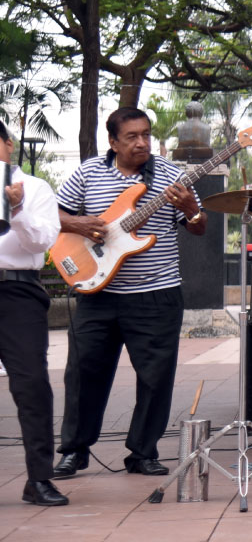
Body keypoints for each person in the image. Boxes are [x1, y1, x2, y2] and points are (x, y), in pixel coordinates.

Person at [54, 108, 208, 478]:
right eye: (132, 137)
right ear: (113, 142)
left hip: (156, 294)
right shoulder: (88, 172)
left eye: (146, 135)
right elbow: (52, 214)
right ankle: (74, 450)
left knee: (156, 378)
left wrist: (190, 209)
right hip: (96, 292)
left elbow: (199, 228)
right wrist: (78, 222)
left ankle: (143, 451)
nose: (142, 142)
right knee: (83, 374)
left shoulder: (171, 175)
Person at [0, 122, 68, 505]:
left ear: (8, 145)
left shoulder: (37, 188)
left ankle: (39, 479)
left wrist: (17, 208)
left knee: (31, 386)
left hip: (16, 290)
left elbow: (42, 241)